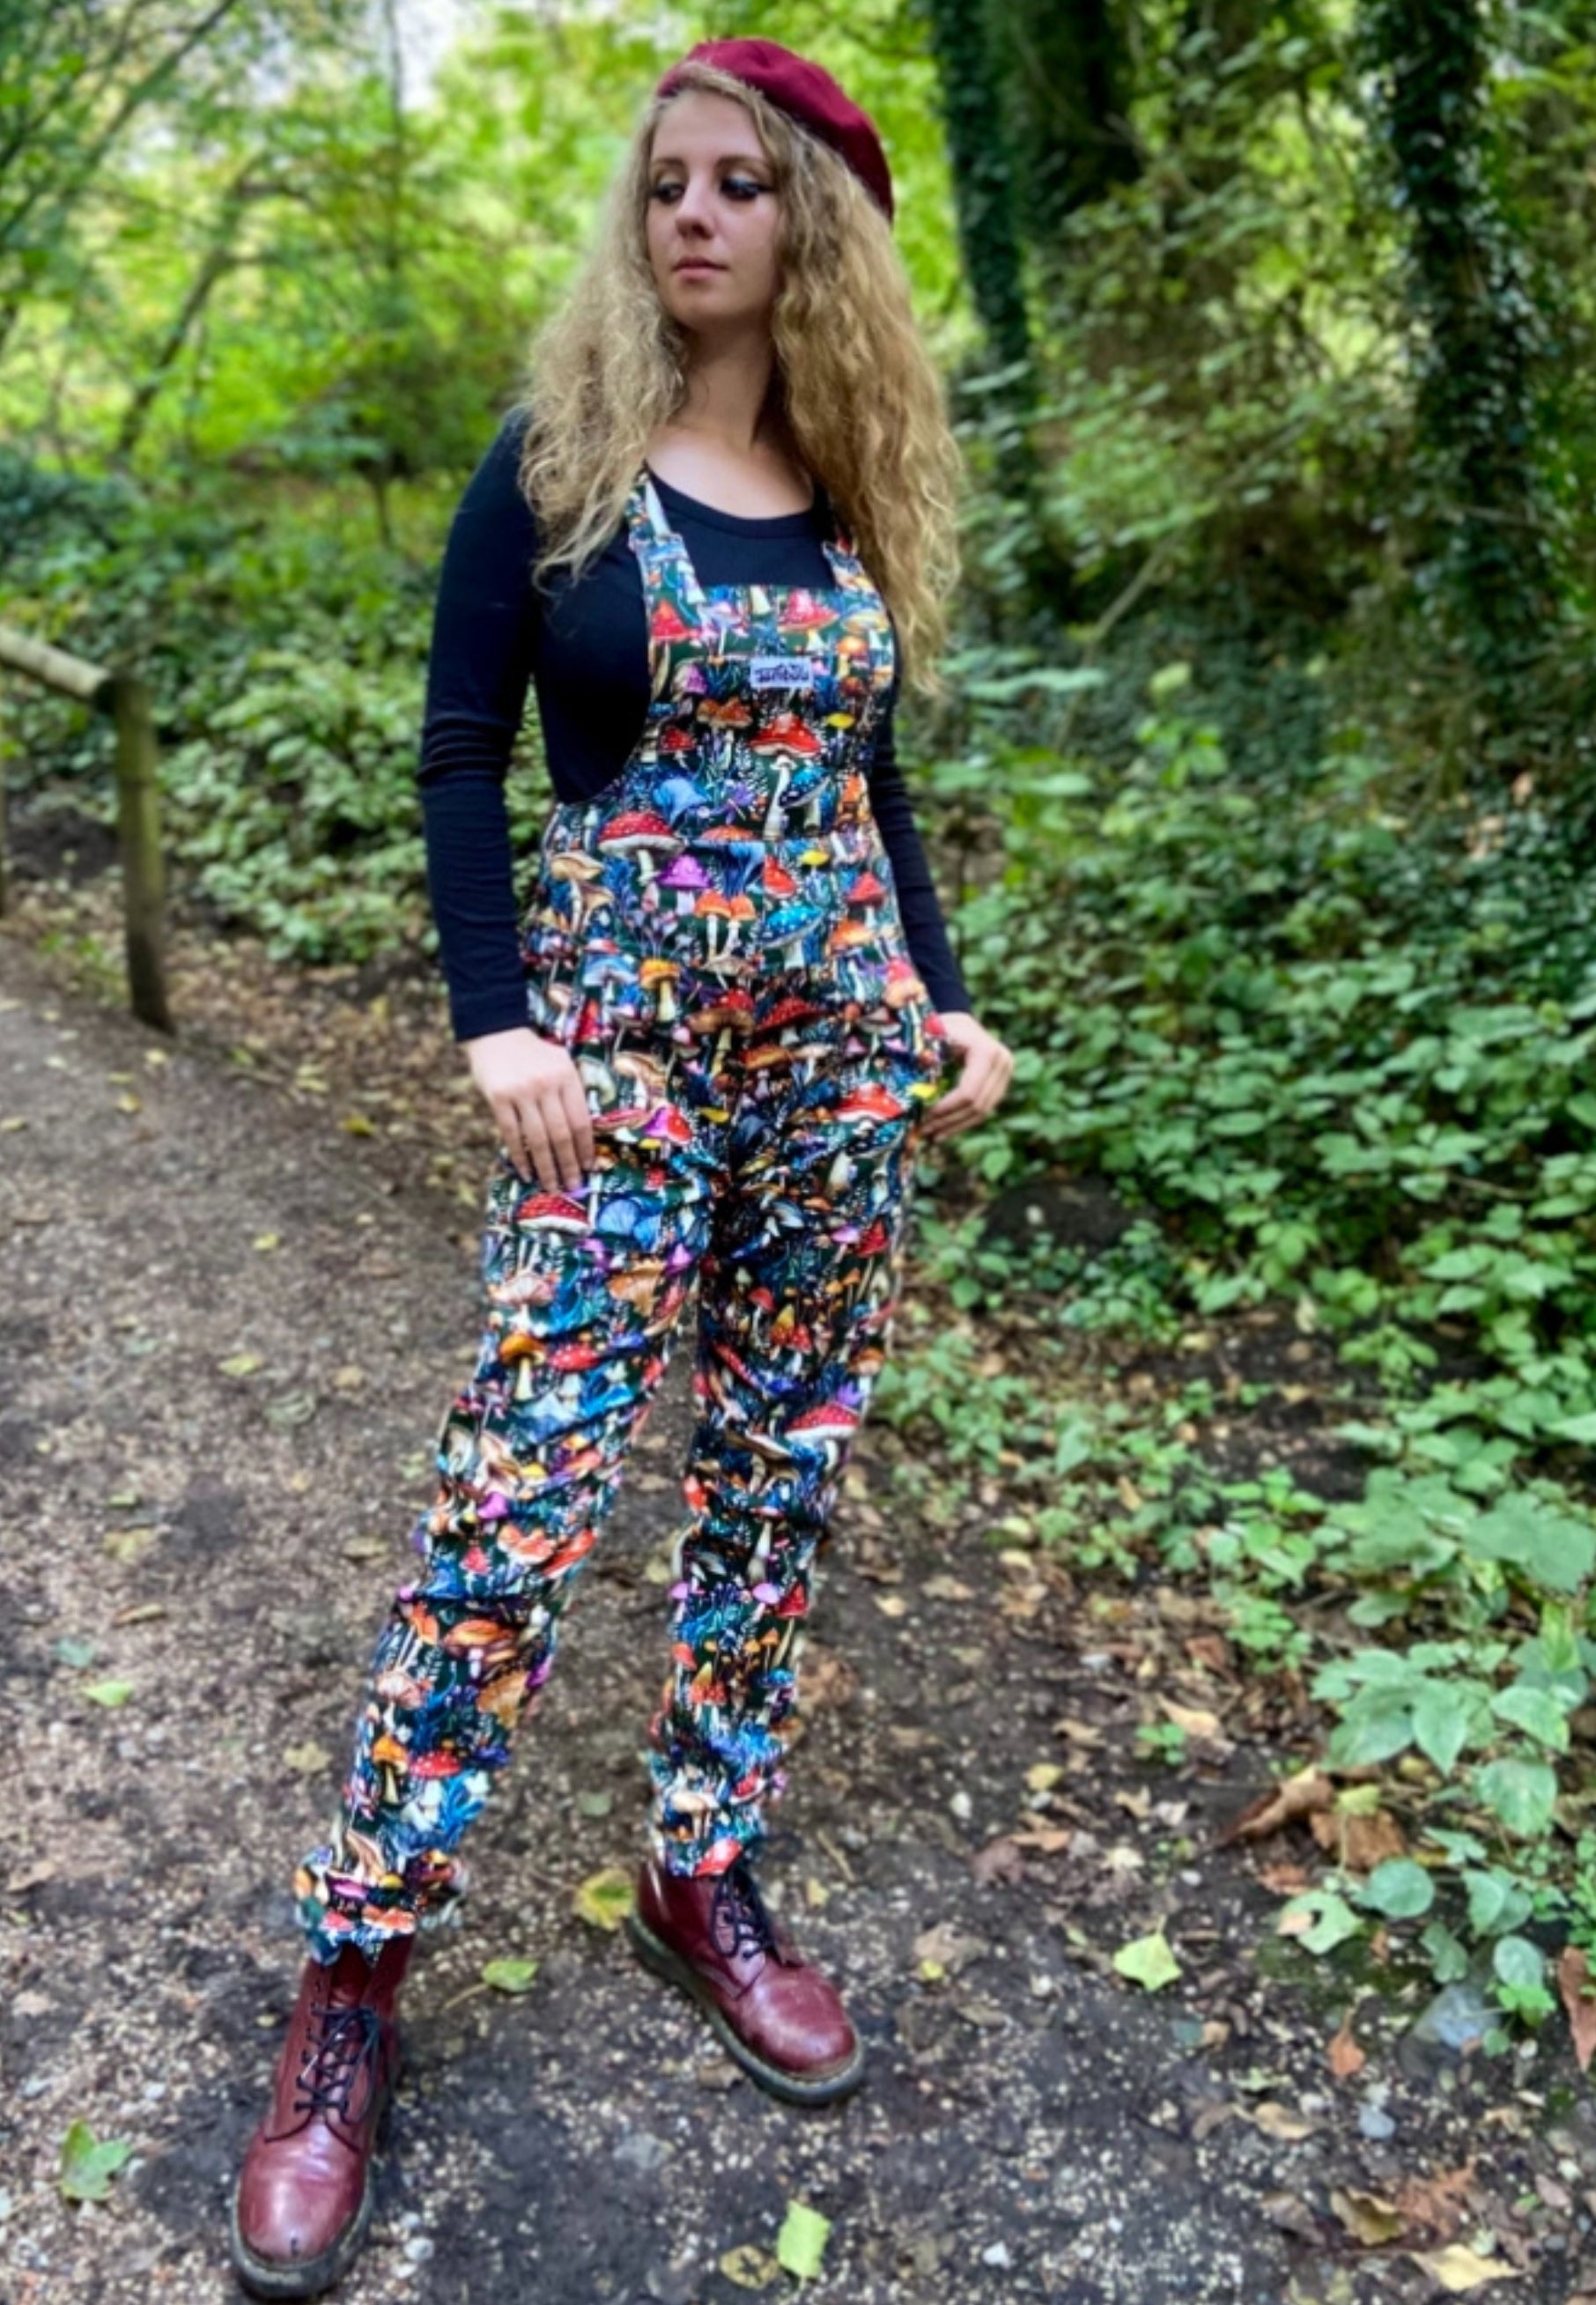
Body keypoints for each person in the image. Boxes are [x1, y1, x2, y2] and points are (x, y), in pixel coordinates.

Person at [230, 35, 1013, 2300]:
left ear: (812, 231)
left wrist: (940, 997)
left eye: (736, 186)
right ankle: (354, 1977)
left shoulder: (855, 495)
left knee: (778, 1463)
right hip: (619, 1050)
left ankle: (702, 1863)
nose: (689, 216)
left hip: (840, 1046)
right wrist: (497, 1017)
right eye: (664, 181)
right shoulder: (561, 462)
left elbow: (868, 787)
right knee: (526, 1487)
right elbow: (462, 750)